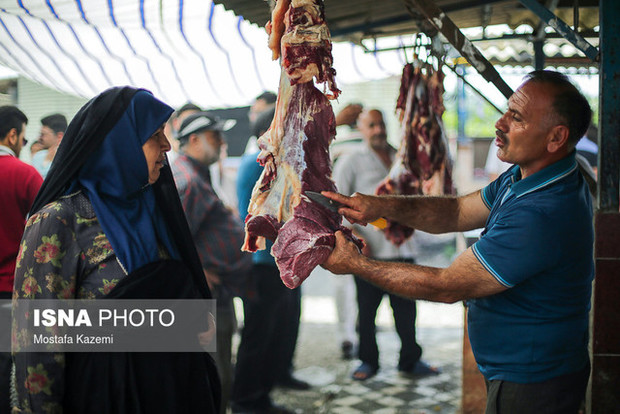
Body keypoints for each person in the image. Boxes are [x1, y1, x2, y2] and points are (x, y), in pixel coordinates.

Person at [322, 70, 593, 413]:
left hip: (534, 379)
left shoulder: (542, 212)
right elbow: (457, 211)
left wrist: (355, 265)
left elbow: (447, 286)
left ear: (556, 138)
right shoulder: (524, 175)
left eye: (517, 117)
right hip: (519, 369)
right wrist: (379, 206)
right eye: (507, 110)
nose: (500, 123)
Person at [12, 87, 221, 413]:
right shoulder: (60, 222)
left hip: (171, 394)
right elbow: (37, 342)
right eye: (154, 135)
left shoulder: (158, 213)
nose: (167, 145)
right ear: (118, 144)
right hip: (103, 398)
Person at [332, 108, 438, 381]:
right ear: (361, 129)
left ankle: (411, 361)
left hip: (404, 250)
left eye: (381, 124)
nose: (378, 130)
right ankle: (367, 362)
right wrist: (355, 235)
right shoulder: (351, 161)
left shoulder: (400, 159)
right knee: (367, 313)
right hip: (372, 253)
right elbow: (337, 205)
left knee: (406, 311)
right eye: (372, 125)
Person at [171, 111, 252, 414]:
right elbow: (171, 240)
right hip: (203, 299)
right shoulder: (187, 180)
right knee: (214, 375)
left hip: (218, 294)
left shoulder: (198, 173)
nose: (221, 142)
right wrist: (198, 272)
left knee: (220, 371)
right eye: (215, 136)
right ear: (193, 140)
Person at [231, 107, 305, 414]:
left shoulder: (270, 164)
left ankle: (270, 385)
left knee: (278, 330)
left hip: (276, 264)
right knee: (258, 335)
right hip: (261, 265)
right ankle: (247, 400)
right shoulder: (256, 164)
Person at [0, 106, 42, 414]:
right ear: (12, 135)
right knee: (5, 369)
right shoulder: (24, 174)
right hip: (9, 289)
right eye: (23, 139)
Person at [30, 113, 67, 178]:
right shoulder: (38, 157)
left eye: (43, 134)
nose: (39, 138)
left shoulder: (69, 157)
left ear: (59, 137)